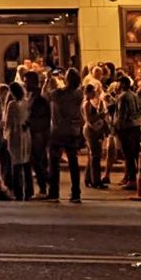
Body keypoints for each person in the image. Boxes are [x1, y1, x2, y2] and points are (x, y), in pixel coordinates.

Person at [46, 67, 84, 203]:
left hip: (58, 131)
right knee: (73, 162)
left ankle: (54, 191)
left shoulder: (58, 94)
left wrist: (48, 79)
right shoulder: (79, 94)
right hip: (73, 130)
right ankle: (76, 193)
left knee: (54, 162)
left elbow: (46, 94)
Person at [113, 74, 141, 187]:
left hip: (126, 128)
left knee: (128, 154)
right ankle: (132, 177)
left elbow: (121, 115)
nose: (118, 84)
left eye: (119, 82)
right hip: (136, 126)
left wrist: (117, 127)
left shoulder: (123, 97)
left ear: (124, 84)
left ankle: (131, 179)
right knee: (134, 153)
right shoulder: (134, 95)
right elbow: (140, 111)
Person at [4, 80, 32, 201]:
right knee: (26, 163)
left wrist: (5, 134)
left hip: (15, 134)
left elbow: (8, 122)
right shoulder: (26, 103)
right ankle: (29, 191)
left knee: (15, 163)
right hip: (26, 133)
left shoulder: (12, 105)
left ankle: (18, 191)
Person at [25, 71, 51, 197]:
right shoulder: (31, 96)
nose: (25, 83)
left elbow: (41, 119)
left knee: (38, 161)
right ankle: (44, 185)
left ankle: (44, 187)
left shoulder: (39, 98)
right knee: (35, 162)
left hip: (38, 135)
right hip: (33, 134)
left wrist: (29, 124)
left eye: (26, 81)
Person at [82, 82, 110, 190]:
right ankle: (96, 181)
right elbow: (89, 119)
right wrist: (100, 115)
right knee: (95, 156)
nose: (94, 93)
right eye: (93, 91)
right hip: (91, 131)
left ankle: (89, 178)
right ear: (88, 92)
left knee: (92, 155)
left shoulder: (87, 103)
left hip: (90, 130)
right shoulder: (87, 104)